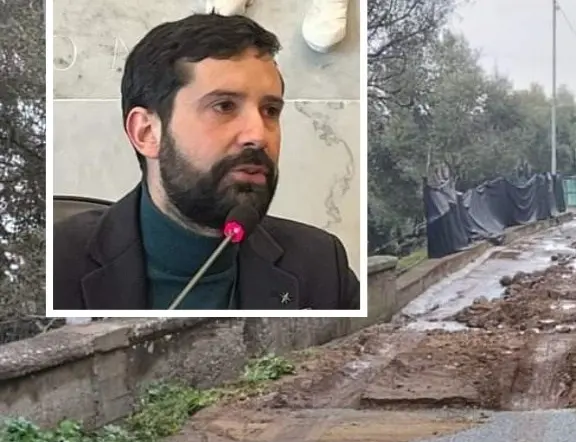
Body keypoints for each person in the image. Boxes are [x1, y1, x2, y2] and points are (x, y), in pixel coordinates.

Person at [51, 14, 360, 311]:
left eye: (270, 111)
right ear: (146, 133)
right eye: (224, 106)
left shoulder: (321, 266)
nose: (258, 135)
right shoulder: (56, 263)